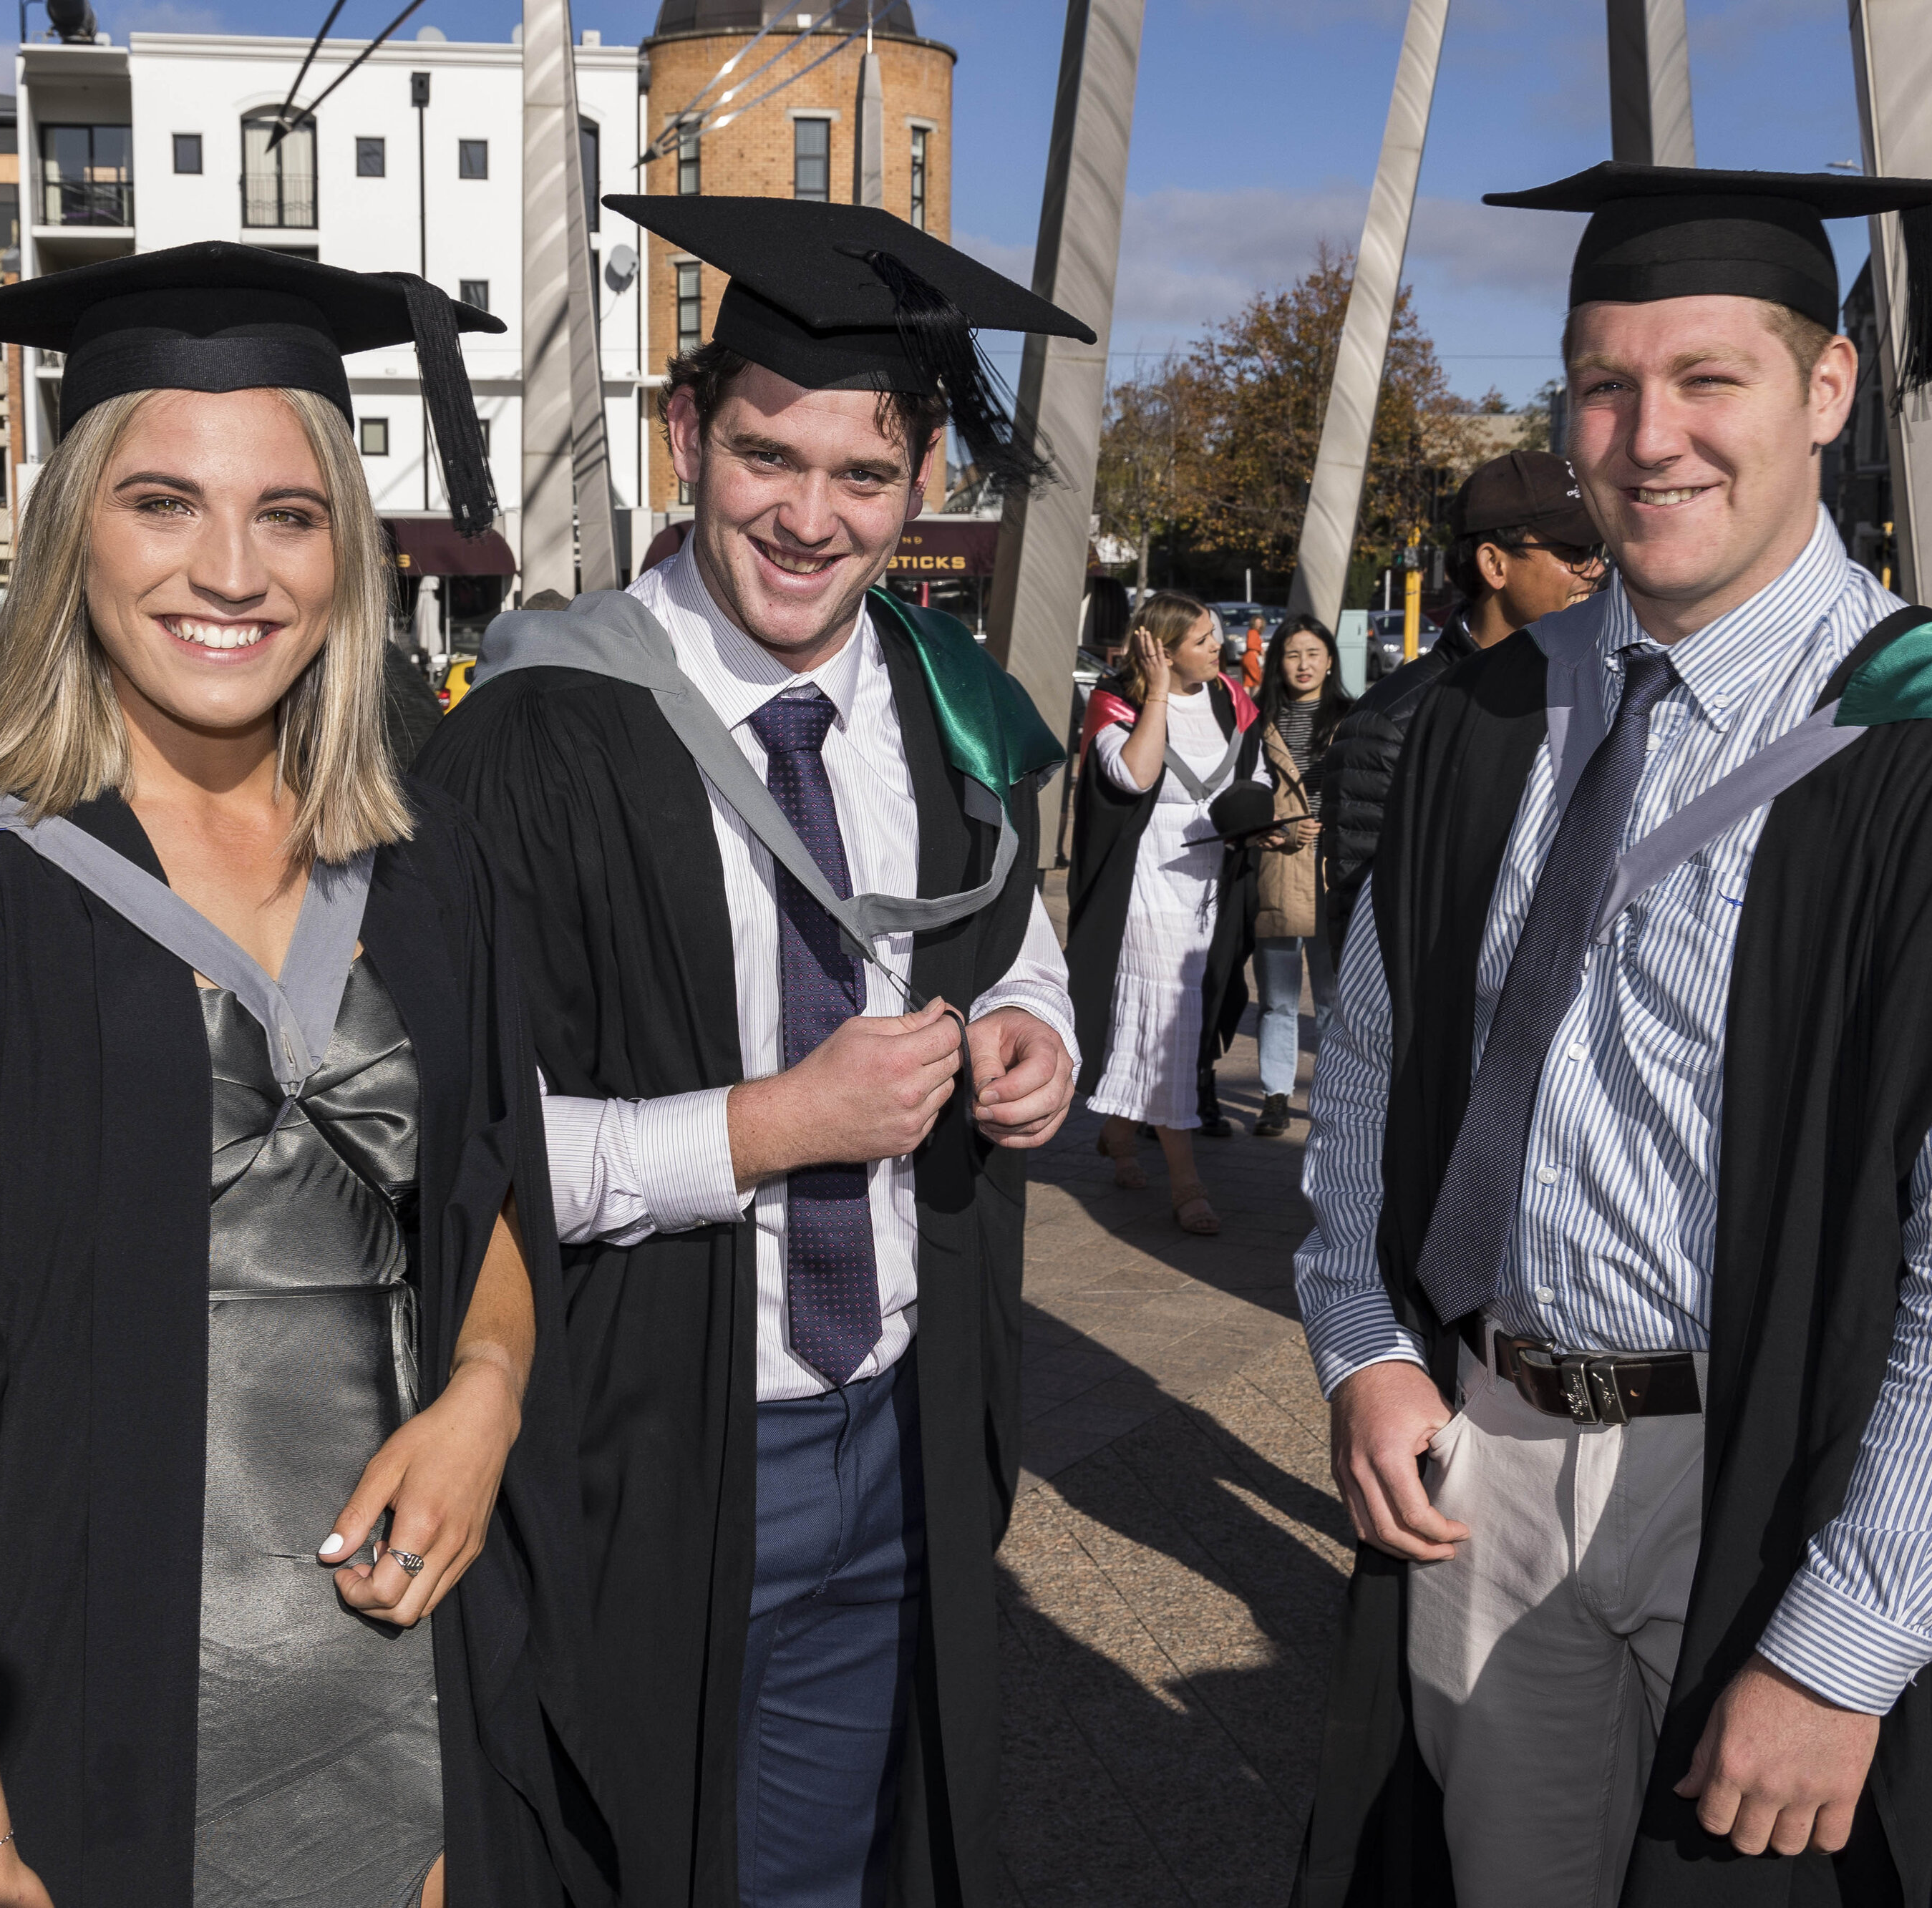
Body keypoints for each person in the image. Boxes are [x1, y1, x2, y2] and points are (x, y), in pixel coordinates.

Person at [1291, 161, 1932, 1908]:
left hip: (1770, 1479)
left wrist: (1845, 1643)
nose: (1649, 437)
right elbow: (1368, 1079)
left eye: (1710, 378)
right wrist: (1361, 1339)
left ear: (1828, 389)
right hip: (1493, 1460)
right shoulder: (1480, 727)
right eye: (1604, 382)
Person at [0, 244, 592, 1904]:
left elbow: (486, 1195)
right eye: (162, 502)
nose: (231, 567)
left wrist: (484, 1388)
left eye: (287, 511)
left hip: (415, 1692)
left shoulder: (424, 873)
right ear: (72, 537)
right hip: (90, 1705)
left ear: (345, 546)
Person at [417, 195, 1088, 1904]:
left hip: (901, 1422)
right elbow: (450, 1157)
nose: (807, 517)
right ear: (683, 434)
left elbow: (1025, 946)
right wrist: (766, 1125)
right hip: (643, 1434)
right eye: (764, 456)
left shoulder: (947, 705)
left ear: (923, 473)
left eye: (861, 475)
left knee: (819, 1867)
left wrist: (1031, 1033)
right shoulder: (538, 732)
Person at [1311, 450, 1602, 960]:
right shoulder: (1394, 721)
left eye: (1598, 547)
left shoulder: (1603, 691)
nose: (1594, 569)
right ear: (1495, 564)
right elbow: (1366, 934)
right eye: (1574, 550)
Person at [1065, 590, 1259, 1232]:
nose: (1218, 648)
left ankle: (1119, 1133)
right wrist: (1154, 694)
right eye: (1203, 640)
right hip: (1147, 889)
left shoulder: (1229, 700)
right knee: (1169, 1027)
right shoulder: (1116, 706)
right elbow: (1133, 778)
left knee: (1168, 1025)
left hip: (1212, 888)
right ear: (1163, 650)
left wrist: (1265, 825)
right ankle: (1187, 1182)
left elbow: (1246, 780)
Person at [1199, 613, 1351, 1139]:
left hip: (1336, 873)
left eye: (1312, 653)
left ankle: (1332, 1094)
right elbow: (1242, 796)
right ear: (1274, 662)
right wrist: (1281, 831)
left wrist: (1329, 827)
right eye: (1291, 654)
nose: (1303, 664)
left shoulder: (1354, 719)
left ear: (1330, 659)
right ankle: (1275, 1096)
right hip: (1278, 870)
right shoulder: (1256, 722)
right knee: (1279, 997)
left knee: (1334, 998)